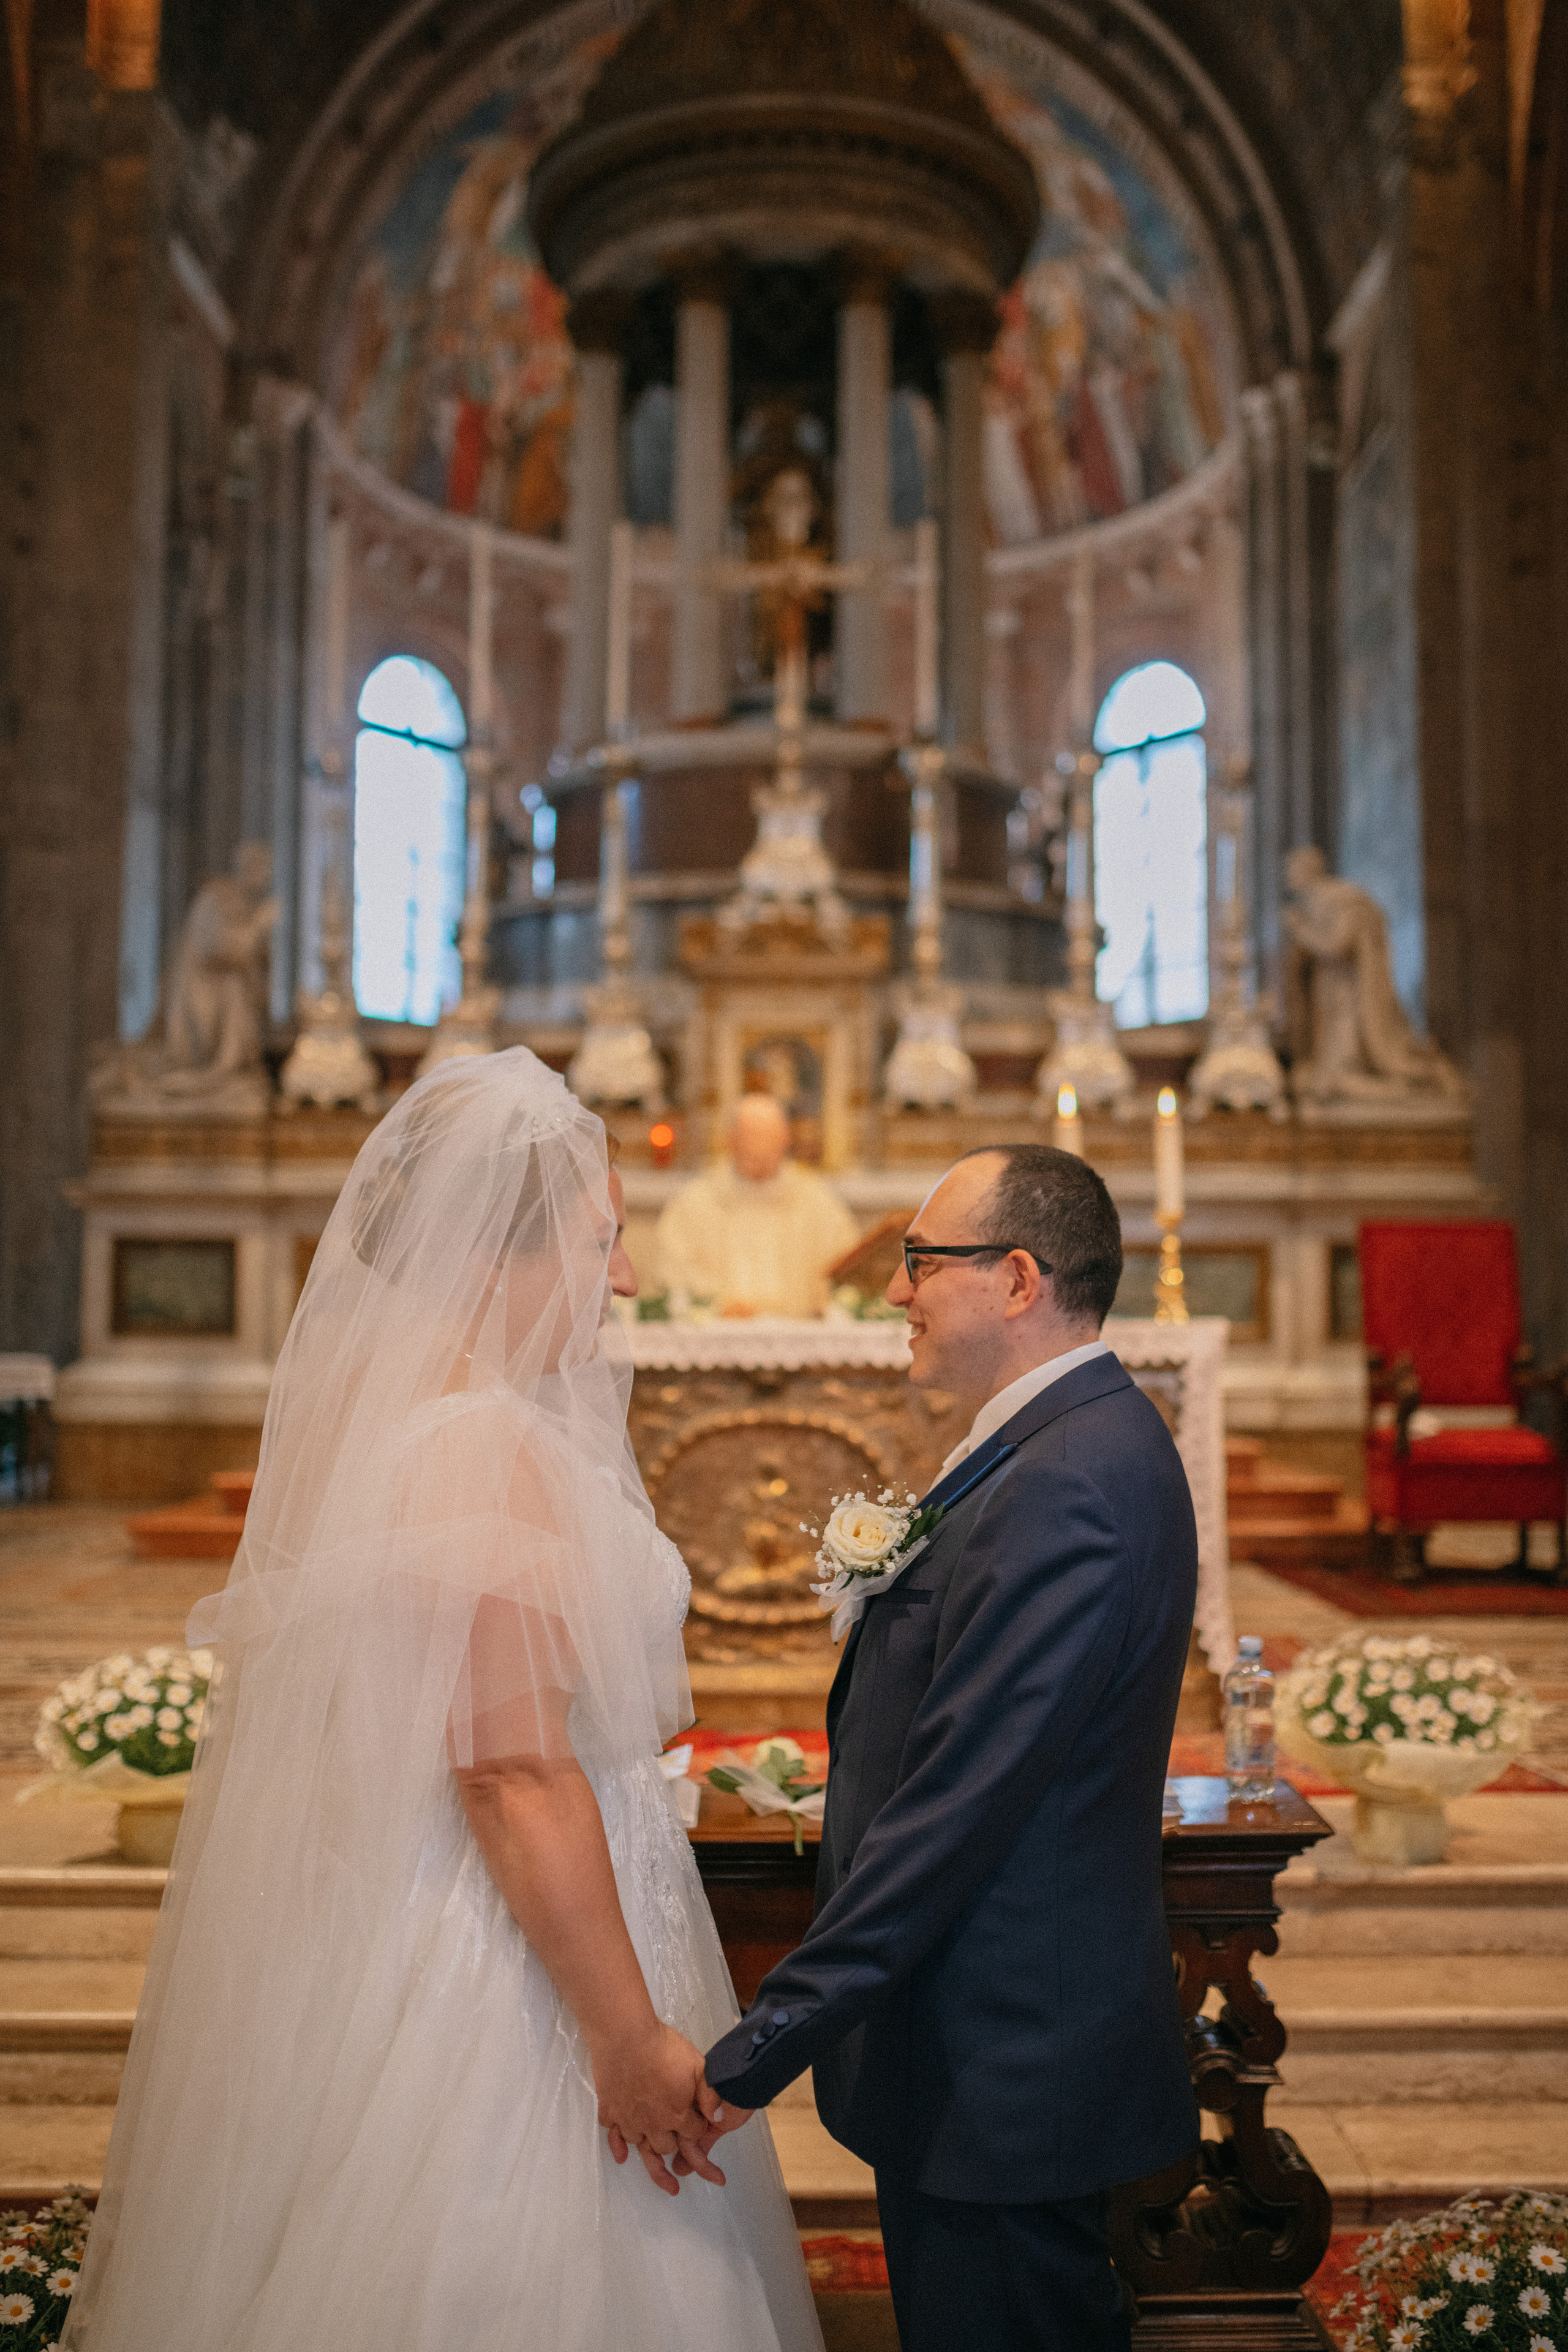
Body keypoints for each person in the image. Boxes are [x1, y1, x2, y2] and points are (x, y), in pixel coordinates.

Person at [63, 1050, 822, 2352]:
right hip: (512, 1963)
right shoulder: (480, 1450)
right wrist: (624, 2035)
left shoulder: (444, 1428)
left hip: (519, 1901)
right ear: (488, 1261)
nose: (626, 1278)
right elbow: (508, 1770)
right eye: (600, 1242)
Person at [690, 1143, 1200, 2352]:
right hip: (988, 2051)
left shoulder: (1066, 1477)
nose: (893, 1290)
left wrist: (764, 2041)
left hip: (1006, 2063)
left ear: (1016, 1278)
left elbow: (959, 1806)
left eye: (920, 1261)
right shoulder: (1054, 1443)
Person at [653, 1092, 859, 1317]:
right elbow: (672, 1275)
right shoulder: (694, 1204)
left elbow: (848, 1271)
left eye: (769, 1150)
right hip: (723, 1331)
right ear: (731, 1141)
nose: (761, 1160)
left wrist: (825, 1304)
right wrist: (717, 1306)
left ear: (786, 1140)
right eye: (751, 1151)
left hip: (800, 1327)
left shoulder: (818, 1202)